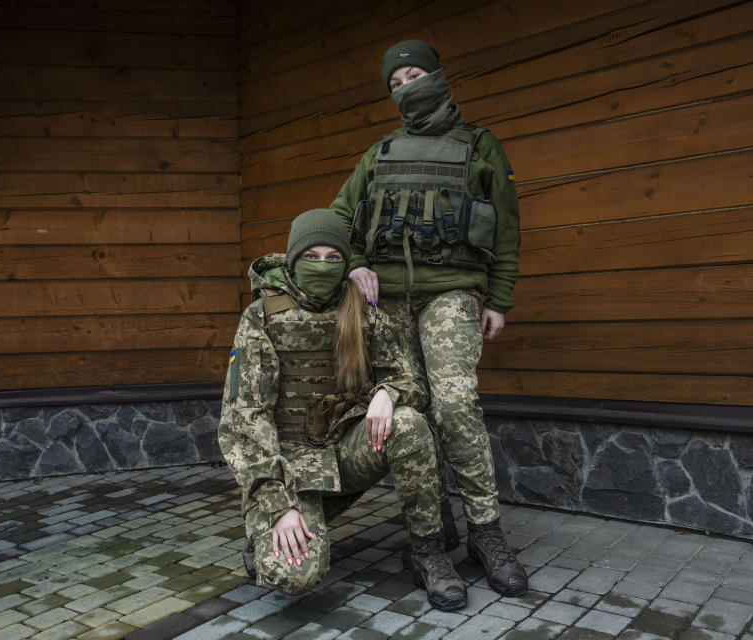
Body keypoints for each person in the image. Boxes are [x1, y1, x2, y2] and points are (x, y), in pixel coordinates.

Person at [330, 40, 527, 596]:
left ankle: (485, 533)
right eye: (394, 83)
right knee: (411, 412)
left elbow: (507, 230)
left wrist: (499, 300)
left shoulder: (480, 147)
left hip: (452, 294)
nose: (404, 87)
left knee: (455, 403)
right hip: (387, 302)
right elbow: (339, 218)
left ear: (437, 77)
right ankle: (432, 528)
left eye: (413, 75)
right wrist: (358, 264)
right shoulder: (380, 153)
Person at [218, 208, 467, 610]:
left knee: (409, 424)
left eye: (333, 258)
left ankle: (429, 552)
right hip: (292, 469)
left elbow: (413, 381)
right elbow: (244, 421)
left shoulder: (363, 310)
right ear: (294, 258)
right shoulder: (261, 318)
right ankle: (271, 526)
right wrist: (280, 507)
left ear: (346, 263)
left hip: (345, 452)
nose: (322, 266)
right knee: (294, 576)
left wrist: (389, 393)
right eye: (311, 256)